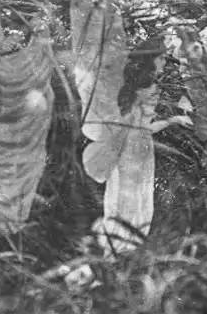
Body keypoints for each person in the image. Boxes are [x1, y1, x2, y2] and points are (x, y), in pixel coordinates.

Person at [86, 36, 193, 256]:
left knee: (120, 195)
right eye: (161, 58)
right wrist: (174, 120)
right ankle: (123, 248)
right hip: (136, 149)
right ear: (151, 60)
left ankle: (115, 248)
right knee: (133, 197)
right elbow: (145, 128)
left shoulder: (129, 86)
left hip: (124, 147)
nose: (164, 63)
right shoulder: (149, 89)